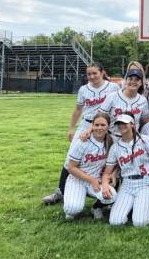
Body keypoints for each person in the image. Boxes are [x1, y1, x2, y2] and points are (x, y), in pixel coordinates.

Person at [42, 63, 119, 205]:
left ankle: (106, 191)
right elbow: (78, 109)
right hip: (86, 124)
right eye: (89, 74)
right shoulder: (84, 89)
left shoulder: (113, 87)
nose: (92, 76)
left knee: (110, 157)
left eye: (95, 73)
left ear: (102, 72)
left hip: (107, 125)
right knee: (70, 159)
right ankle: (61, 191)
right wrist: (71, 128)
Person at [101, 112, 149, 227]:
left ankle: (148, 203)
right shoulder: (115, 147)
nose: (121, 125)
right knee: (115, 222)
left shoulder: (145, 140)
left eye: (125, 123)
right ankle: (141, 205)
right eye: (119, 123)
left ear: (133, 124)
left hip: (145, 183)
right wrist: (105, 184)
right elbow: (107, 172)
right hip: (127, 184)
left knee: (140, 222)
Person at [63, 112, 117, 220]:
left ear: (108, 126)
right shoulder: (83, 141)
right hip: (77, 179)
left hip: (97, 180)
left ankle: (96, 207)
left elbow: (116, 163)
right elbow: (71, 167)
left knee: (112, 196)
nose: (99, 128)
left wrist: (114, 175)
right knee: (72, 209)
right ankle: (73, 199)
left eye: (103, 125)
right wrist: (91, 180)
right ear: (92, 125)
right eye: (96, 125)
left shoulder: (111, 141)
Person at [99, 68, 149, 137]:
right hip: (113, 137)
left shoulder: (143, 100)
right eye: (130, 79)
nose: (133, 82)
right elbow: (100, 117)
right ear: (125, 81)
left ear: (141, 83)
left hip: (133, 139)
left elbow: (145, 121)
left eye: (137, 80)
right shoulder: (112, 96)